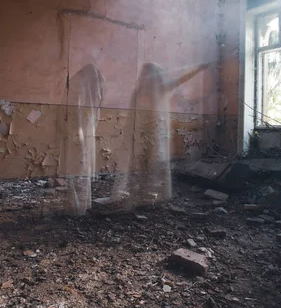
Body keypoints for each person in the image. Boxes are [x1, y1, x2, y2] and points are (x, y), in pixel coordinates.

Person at [114, 62, 209, 207]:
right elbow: (180, 80)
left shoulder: (146, 89)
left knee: (147, 162)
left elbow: (181, 79)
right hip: (148, 133)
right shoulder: (147, 90)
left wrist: (197, 69)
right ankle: (147, 194)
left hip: (147, 133)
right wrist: (198, 69)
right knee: (148, 162)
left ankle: (146, 194)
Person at [59, 64, 105, 216]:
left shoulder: (80, 84)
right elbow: (76, 111)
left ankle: (78, 207)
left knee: (78, 170)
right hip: (79, 134)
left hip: (81, 134)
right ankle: (77, 207)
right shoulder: (80, 86)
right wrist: (79, 133)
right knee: (79, 170)